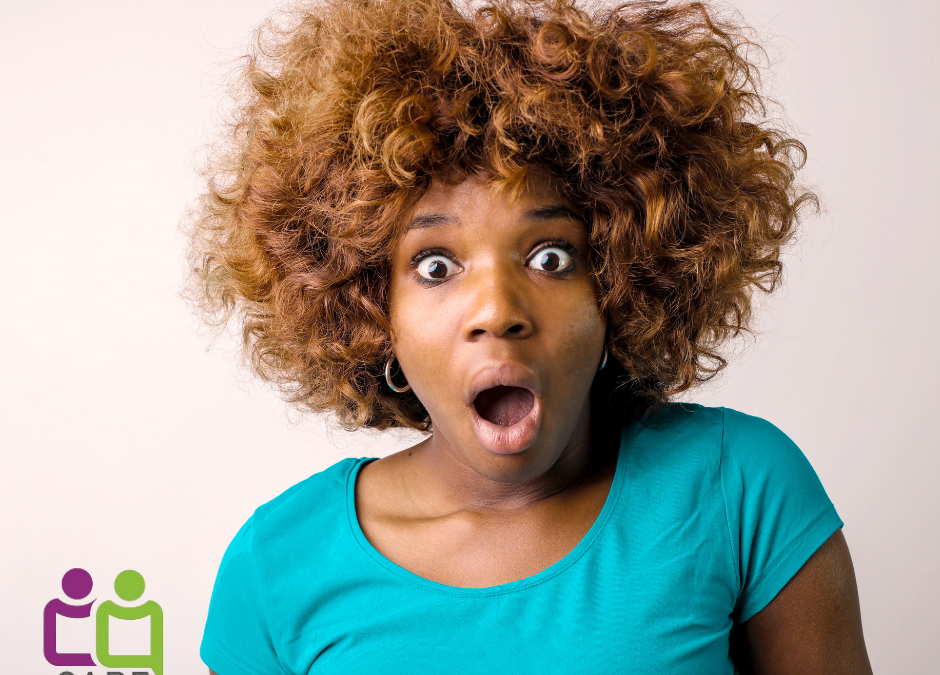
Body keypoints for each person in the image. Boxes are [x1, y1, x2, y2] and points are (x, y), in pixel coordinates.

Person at [188, 0, 872, 672]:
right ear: (371, 308)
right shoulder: (278, 565)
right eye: (435, 266)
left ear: (619, 285)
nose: (497, 310)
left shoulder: (739, 486)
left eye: (551, 258)